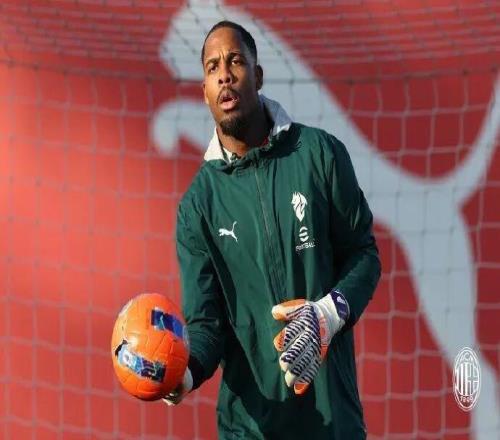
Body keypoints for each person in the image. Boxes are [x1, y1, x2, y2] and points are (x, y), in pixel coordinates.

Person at [163, 20, 382, 440]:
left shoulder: (319, 153)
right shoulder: (197, 206)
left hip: (335, 422)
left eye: (235, 61)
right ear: (205, 92)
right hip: (250, 430)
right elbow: (206, 323)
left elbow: (365, 255)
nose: (224, 75)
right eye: (212, 67)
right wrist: (184, 374)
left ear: (258, 76)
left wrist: (328, 314)